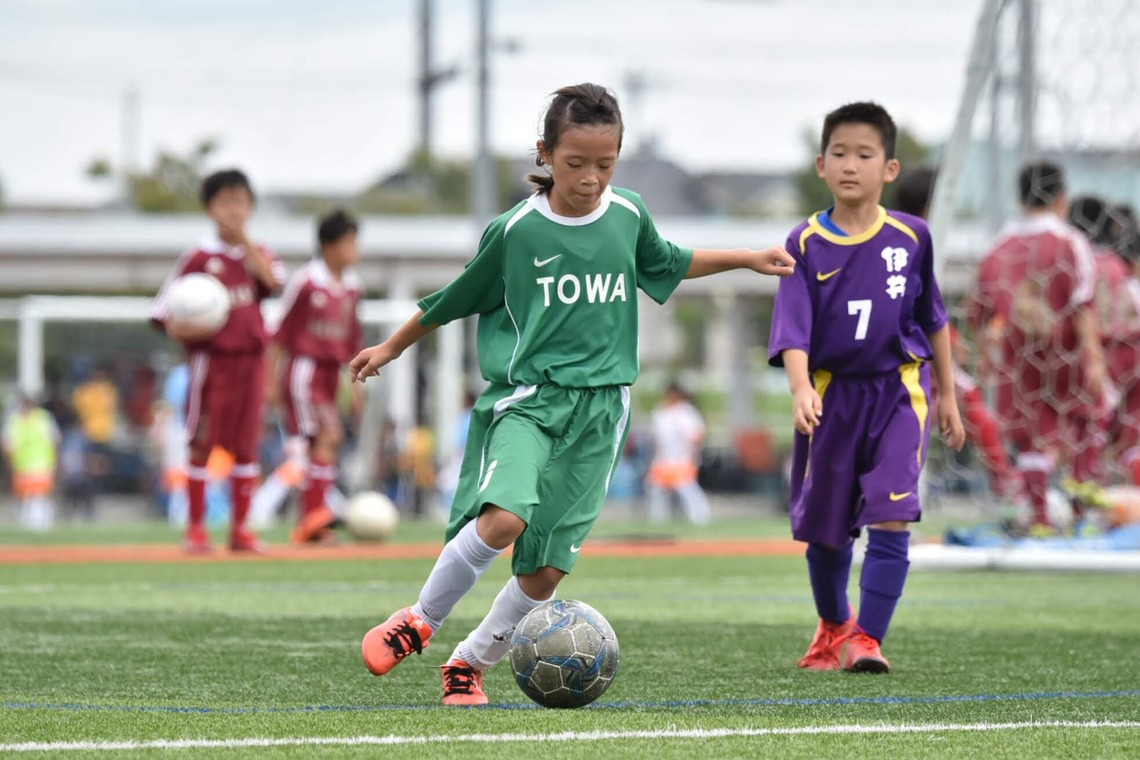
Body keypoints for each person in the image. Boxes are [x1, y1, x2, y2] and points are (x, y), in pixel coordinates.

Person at [348, 82, 795, 706]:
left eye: (605, 165)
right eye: (575, 164)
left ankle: (469, 663)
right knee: (503, 519)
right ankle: (420, 619)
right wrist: (391, 346)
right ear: (546, 155)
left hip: (604, 409)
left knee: (546, 571)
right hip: (530, 401)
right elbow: (452, 299)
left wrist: (747, 256)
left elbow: (669, 260)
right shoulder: (516, 232)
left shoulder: (629, 213)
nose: (590, 178)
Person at [768, 102, 965, 674]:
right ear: (821, 165)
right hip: (830, 398)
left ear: (890, 169)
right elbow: (794, 324)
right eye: (839, 154)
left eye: (864, 154)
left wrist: (947, 394)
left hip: (900, 392)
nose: (850, 164)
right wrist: (801, 388)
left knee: (893, 511)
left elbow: (934, 318)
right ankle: (833, 626)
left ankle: (868, 639)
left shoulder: (912, 236)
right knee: (827, 534)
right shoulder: (804, 242)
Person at [963, 162, 1104, 530]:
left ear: (1019, 198)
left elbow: (976, 306)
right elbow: (1083, 305)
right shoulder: (1070, 242)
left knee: (1030, 442)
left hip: (1016, 358)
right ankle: (1078, 506)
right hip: (1065, 357)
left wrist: (984, 354)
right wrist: (1093, 359)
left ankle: (1040, 517)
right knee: (1089, 417)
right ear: (1061, 198)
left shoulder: (999, 246)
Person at [150, 168, 286, 553]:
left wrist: (245, 243)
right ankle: (195, 530)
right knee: (201, 442)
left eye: (242, 203)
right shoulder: (197, 258)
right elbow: (162, 311)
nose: (234, 211)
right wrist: (183, 330)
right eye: (226, 203)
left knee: (246, 446)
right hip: (212, 364)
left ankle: (241, 529)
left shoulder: (259, 254)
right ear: (210, 207)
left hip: (252, 361)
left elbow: (273, 284)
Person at [893, 168, 1021, 503]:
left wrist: (948, 335)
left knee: (906, 431)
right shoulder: (910, 242)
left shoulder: (900, 239)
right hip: (912, 355)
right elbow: (913, 304)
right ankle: (1008, 485)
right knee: (973, 406)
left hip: (900, 355)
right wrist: (946, 342)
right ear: (930, 206)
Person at [263, 209, 363, 544]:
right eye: (349, 243)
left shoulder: (352, 288)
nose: (355, 250)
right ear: (328, 246)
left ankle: (312, 521)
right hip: (304, 370)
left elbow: (352, 343)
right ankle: (313, 520)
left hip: (330, 375)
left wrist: (357, 389)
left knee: (317, 446)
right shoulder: (306, 282)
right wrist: (271, 379)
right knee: (328, 437)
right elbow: (280, 335)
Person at [645, 381, 710, 525]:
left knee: (686, 489)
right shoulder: (660, 412)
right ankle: (658, 520)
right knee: (656, 490)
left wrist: (694, 456)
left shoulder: (686, 412)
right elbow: (657, 438)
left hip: (682, 459)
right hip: (663, 459)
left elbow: (697, 435)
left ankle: (700, 518)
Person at [2, 394, 62, 531]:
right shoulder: (15, 421)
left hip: (40, 464)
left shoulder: (42, 419)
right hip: (24, 466)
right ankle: (32, 526)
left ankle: (39, 526)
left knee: (38, 497)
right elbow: (7, 445)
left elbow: (55, 441)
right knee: (28, 498)